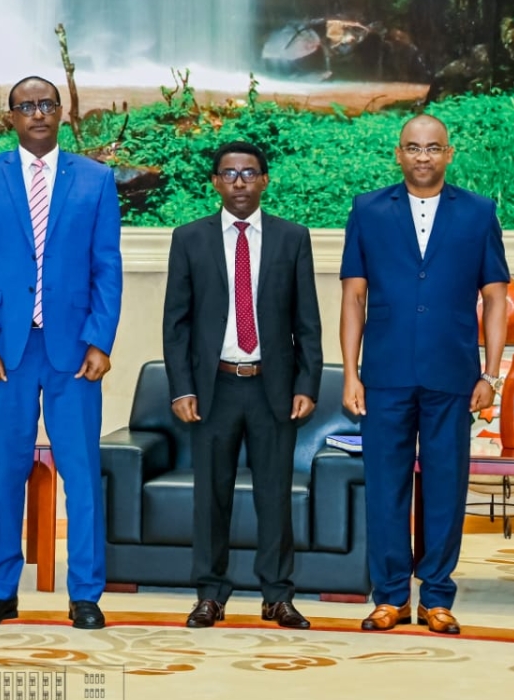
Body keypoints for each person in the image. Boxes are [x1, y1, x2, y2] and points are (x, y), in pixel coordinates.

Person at [0, 76, 122, 630]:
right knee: (5, 472)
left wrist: (100, 340)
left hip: (74, 351)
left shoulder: (96, 179)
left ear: (61, 111)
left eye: (47, 104)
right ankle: (0, 590)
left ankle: (85, 593)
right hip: (5, 349)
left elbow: (107, 265)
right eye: (26, 106)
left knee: (81, 473)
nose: (38, 113)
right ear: (11, 117)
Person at [340, 114, 508, 635]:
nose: (423, 156)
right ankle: (390, 598)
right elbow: (353, 297)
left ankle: (437, 596)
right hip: (385, 374)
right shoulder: (367, 209)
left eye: (433, 147)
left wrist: (491, 374)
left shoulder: (479, 212)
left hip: (452, 373)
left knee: (445, 487)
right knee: (385, 488)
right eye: (413, 147)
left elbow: (495, 298)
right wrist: (351, 373)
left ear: (448, 154)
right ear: (399, 153)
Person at [162, 141, 323, 630]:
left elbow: (307, 321)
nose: (239, 182)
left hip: (273, 387)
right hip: (214, 388)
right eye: (229, 174)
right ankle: (210, 595)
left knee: (274, 496)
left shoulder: (292, 238)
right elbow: (176, 324)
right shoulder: (189, 238)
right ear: (215, 182)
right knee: (211, 497)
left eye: (249, 173)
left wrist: (307, 383)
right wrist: (182, 388)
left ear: (264, 181)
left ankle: (277, 596)